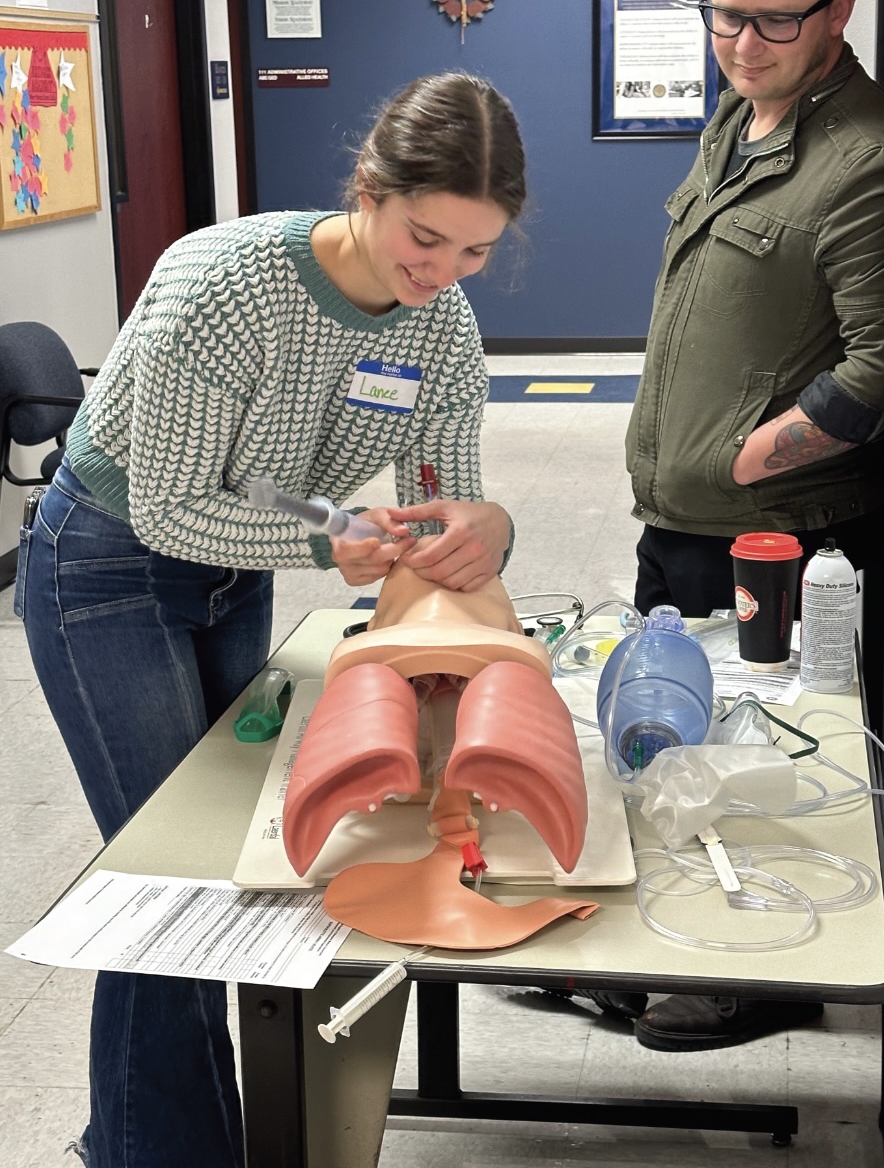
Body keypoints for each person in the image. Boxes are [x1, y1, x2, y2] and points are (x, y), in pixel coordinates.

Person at [15, 70, 526, 1167]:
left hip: (230, 567)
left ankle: (143, 1133)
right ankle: (156, 1150)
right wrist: (319, 548)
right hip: (105, 563)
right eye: (425, 237)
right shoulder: (224, 286)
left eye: (474, 251)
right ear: (368, 188)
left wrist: (479, 524)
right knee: (168, 876)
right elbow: (166, 507)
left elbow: (445, 495)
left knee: (224, 870)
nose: (441, 275)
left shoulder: (441, 329)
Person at [615, 0, 884, 1051]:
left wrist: (746, 454)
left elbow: (873, 366)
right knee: (661, 739)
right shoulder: (738, 118)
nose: (740, 44)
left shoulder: (862, 157)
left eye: (773, 23)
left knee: (746, 752)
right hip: (678, 522)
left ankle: (745, 975)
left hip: (765, 535)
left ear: (838, 8)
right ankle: (656, 943)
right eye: (720, 16)